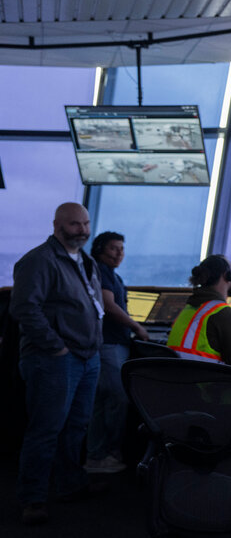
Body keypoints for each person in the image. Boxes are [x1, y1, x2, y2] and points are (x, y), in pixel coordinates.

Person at [10, 202, 105, 525]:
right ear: (57, 225)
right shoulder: (38, 261)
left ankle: (69, 484)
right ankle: (33, 499)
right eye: (75, 224)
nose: (82, 230)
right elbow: (24, 309)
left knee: (77, 427)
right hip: (54, 360)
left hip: (87, 357)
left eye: (86, 223)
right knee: (45, 430)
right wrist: (57, 348)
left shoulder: (85, 260)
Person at [84, 231, 148, 474]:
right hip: (109, 345)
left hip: (111, 344)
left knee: (102, 401)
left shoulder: (112, 275)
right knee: (117, 398)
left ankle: (97, 455)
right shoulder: (101, 272)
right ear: (100, 249)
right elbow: (109, 306)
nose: (119, 253)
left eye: (122, 248)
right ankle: (107, 454)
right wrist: (136, 326)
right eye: (113, 248)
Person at [166, 254, 231, 370]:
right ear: (226, 275)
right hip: (204, 385)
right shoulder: (226, 315)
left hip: (176, 382)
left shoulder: (188, 309)